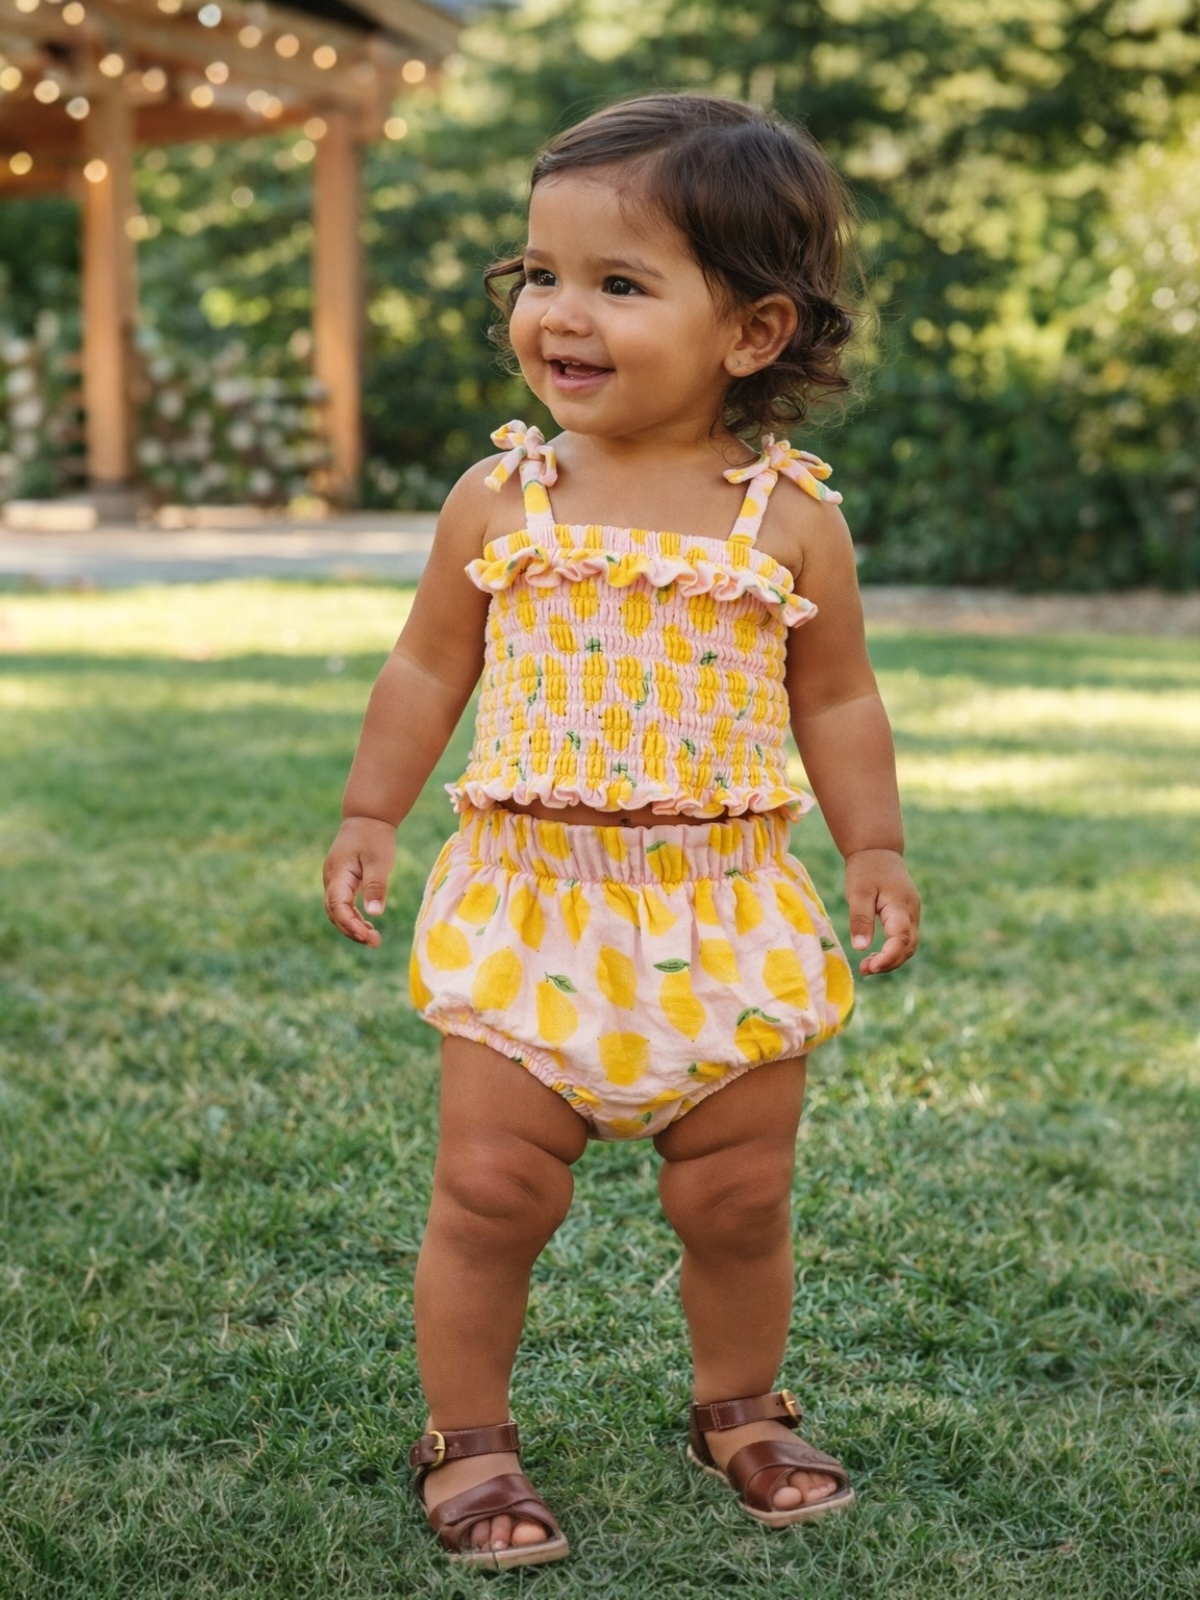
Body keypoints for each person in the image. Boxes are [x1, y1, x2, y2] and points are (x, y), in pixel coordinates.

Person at [323, 92, 920, 1569]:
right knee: (490, 1189)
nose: (558, 314)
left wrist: (875, 847)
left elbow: (838, 701)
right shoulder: (501, 496)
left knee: (739, 1195)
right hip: (534, 905)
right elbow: (425, 668)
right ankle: (466, 1436)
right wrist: (369, 808)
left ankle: (741, 1403)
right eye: (538, 275)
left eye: (618, 282)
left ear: (755, 333)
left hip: (722, 912)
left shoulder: (784, 520)